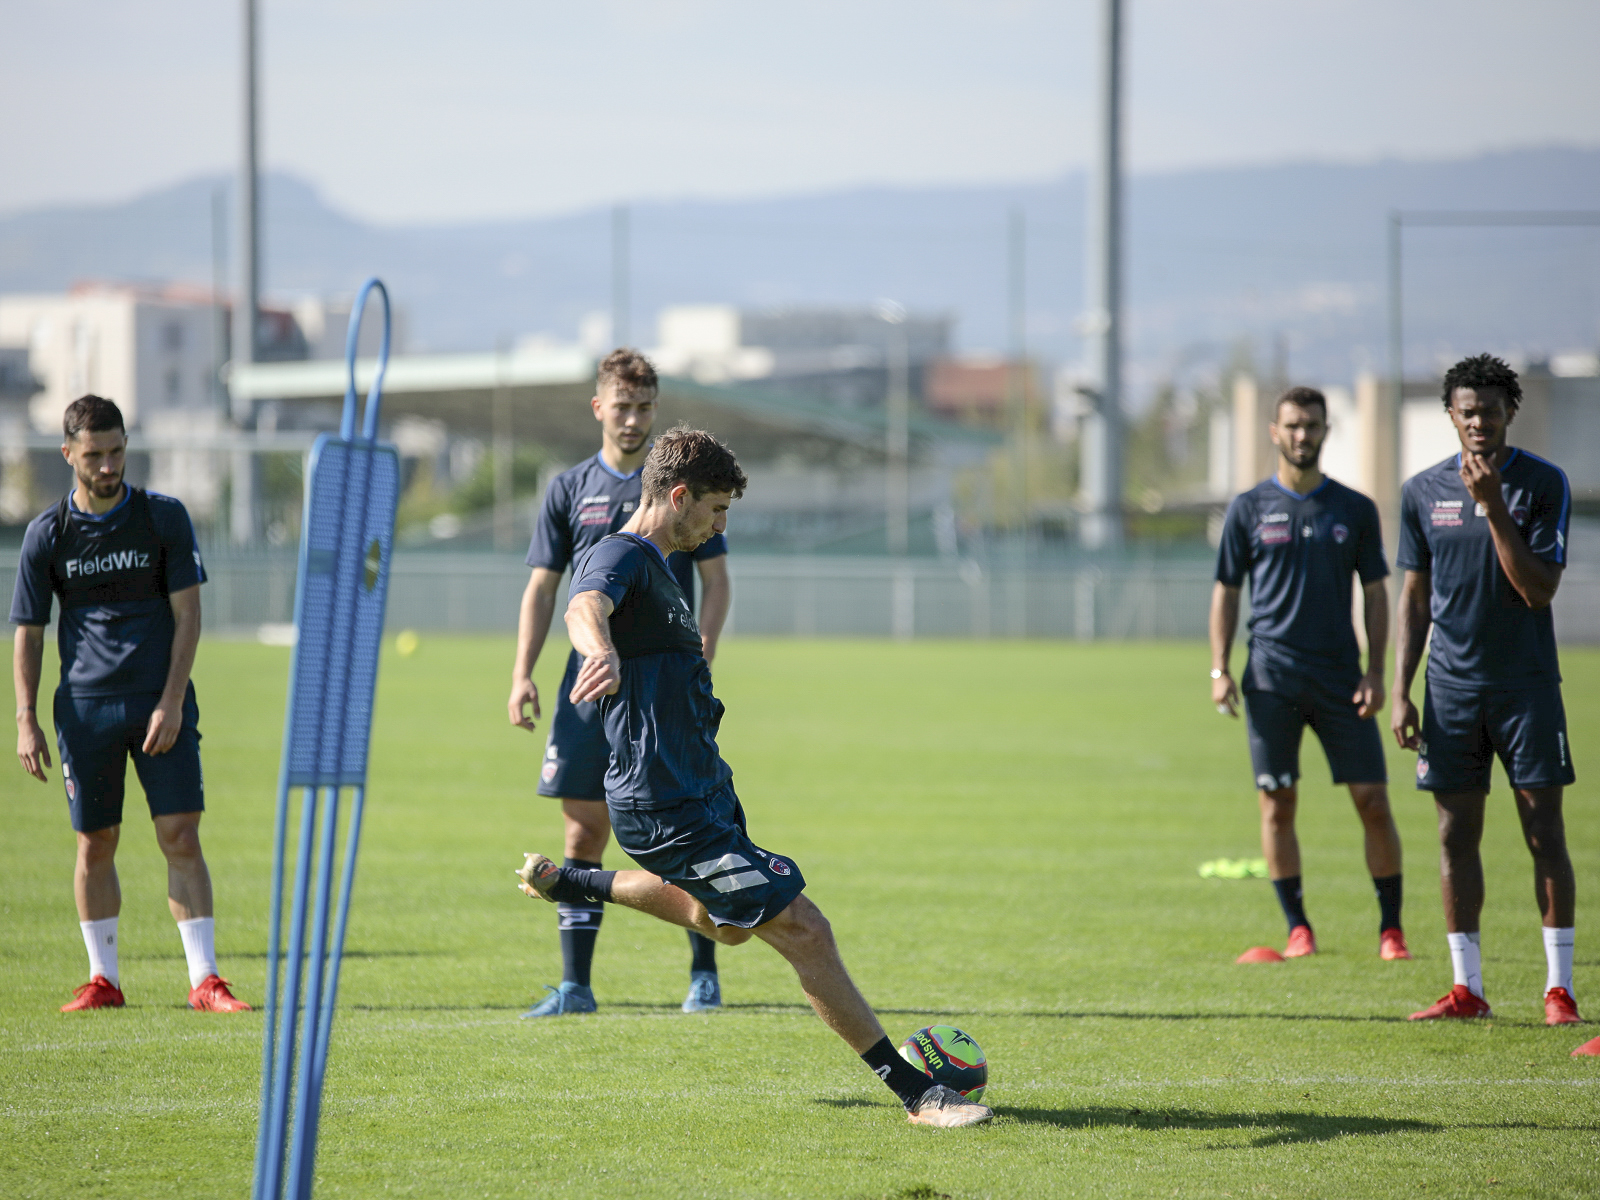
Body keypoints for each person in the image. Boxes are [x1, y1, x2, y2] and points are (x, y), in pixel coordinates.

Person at [513, 426, 990, 1126]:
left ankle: (570, 881)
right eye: (715, 510)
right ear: (678, 496)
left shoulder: (661, 566)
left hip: (703, 793)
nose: (719, 525)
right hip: (665, 805)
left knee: (724, 925)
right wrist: (599, 652)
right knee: (804, 927)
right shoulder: (621, 553)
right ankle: (918, 1095)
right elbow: (586, 605)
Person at [508, 349, 732, 1018]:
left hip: (659, 686)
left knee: (690, 829)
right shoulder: (570, 488)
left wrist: (704, 653)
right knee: (582, 832)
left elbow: (717, 581)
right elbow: (546, 590)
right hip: (589, 683)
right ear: (600, 407)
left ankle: (703, 974)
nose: (633, 420)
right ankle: (576, 986)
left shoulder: (684, 494)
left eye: (644, 408)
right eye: (622, 406)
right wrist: (522, 671)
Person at [11, 395, 247, 1013]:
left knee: (180, 835)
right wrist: (26, 719)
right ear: (69, 454)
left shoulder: (163, 518)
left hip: (157, 703)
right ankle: (103, 980)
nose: (109, 465)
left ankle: (206, 981)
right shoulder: (48, 534)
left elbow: (189, 614)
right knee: (96, 842)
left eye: (117, 451)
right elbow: (29, 632)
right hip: (84, 710)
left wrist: (171, 701)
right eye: (94, 454)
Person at [1392, 354, 1579, 1025]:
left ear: (1510, 413)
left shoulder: (1541, 484)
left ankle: (1560, 990)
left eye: (1490, 410)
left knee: (1543, 831)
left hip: (1526, 689)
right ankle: (1465, 989)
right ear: (1451, 414)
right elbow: (1413, 600)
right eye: (1466, 410)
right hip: (1450, 691)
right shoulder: (1419, 492)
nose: (1478, 421)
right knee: (1453, 835)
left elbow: (1537, 588)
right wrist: (1401, 690)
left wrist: (1491, 505)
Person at [1211, 386, 1407, 960]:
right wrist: (1218, 669)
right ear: (1274, 431)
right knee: (1278, 804)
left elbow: (1376, 592)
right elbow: (1226, 592)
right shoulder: (1248, 509)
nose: (1302, 435)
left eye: (1313, 425)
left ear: (1326, 431)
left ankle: (1390, 930)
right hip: (1271, 680)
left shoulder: (1354, 508)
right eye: (1293, 425)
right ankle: (1299, 928)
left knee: (1372, 800)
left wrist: (1376, 672)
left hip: (1341, 681)